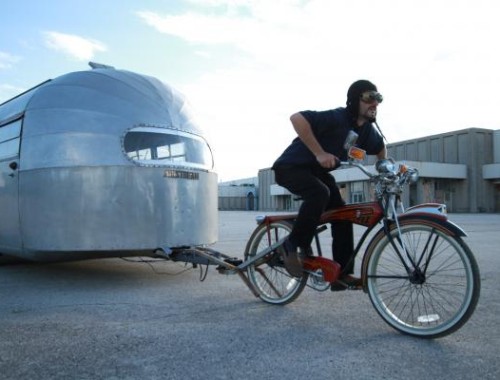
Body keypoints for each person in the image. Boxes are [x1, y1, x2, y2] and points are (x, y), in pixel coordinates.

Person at [272, 79, 387, 290]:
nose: (375, 104)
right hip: (291, 167)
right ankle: (290, 245)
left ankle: (341, 275)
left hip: (316, 173)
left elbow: (380, 148)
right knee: (319, 193)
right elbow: (297, 118)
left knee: (342, 215)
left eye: (378, 99)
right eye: (370, 98)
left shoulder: (366, 131)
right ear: (355, 100)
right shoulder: (337, 117)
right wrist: (319, 153)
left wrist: (383, 168)